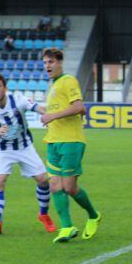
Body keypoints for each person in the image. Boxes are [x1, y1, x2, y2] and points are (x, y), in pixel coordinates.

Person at [0, 73, 55, 235]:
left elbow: (39, 108)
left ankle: (43, 214)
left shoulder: (19, 100)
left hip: (24, 146)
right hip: (2, 149)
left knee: (43, 180)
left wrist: (49, 116)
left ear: (5, 88)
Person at [38, 48, 101, 243]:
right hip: (53, 141)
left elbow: (79, 107)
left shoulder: (68, 81)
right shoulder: (54, 86)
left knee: (70, 187)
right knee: (55, 185)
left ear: (60, 62)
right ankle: (66, 227)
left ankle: (93, 215)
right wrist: (49, 118)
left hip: (71, 141)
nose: (47, 66)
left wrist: (52, 115)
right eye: (45, 63)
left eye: (51, 62)